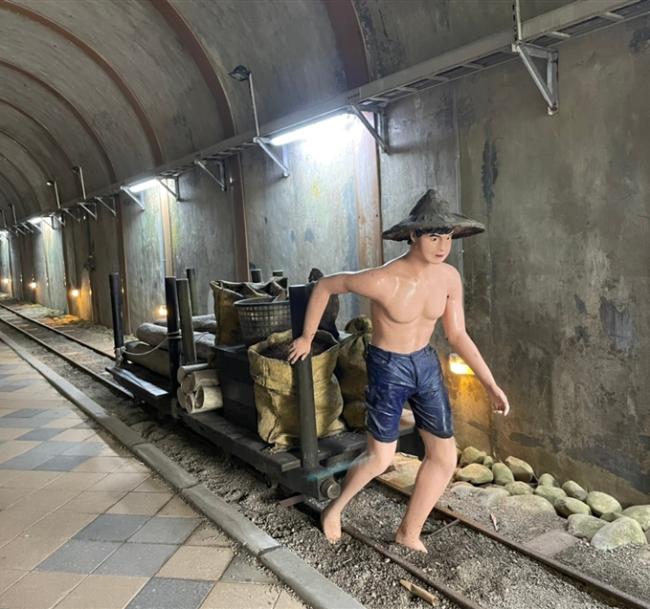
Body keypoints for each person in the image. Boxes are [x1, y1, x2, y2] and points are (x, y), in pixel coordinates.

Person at [288, 189, 510, 552]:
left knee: (444, 456)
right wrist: (307, 338)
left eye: (448, 237)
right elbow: (327, 285)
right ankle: (335, 508)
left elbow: (456, 334)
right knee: (381, 457)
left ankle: (408, 532)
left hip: (425, 362)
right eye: (434, 236)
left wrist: (491, 383)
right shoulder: (382, 279)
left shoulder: (449, 278)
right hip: (388, 366)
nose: (442, 246)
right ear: (412, 236)